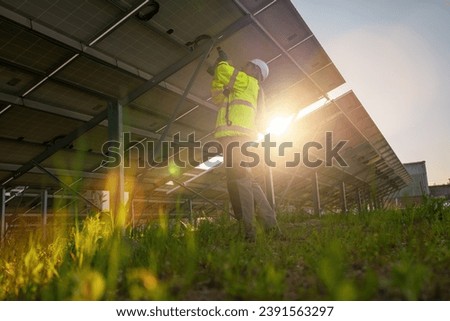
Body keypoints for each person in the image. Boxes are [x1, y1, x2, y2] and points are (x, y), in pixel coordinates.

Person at [210, 53, 280, 241]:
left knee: (241, 180)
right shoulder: (240, 88)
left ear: (256, 71)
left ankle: (250, 231)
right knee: (248, 180)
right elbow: (217, 98)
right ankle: (270, 223)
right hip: (235, 138)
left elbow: (225, 70)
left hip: (236, 137)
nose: (244, 67)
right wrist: (217, 78)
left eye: (248, 65)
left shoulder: (249, 82)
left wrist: (222, 62)